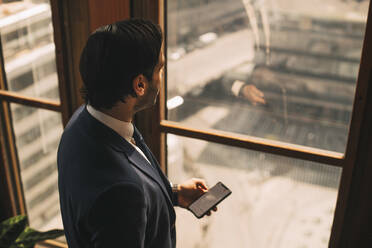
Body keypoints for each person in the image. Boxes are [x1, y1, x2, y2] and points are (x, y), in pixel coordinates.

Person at [57, 19, 216, 248]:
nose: (162, 76)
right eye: (160, 69)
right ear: (140, 85)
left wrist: (174, 194)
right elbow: (119, 197)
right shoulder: (122, 192)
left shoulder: (81, 122)